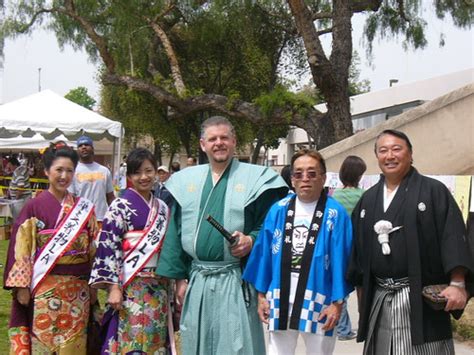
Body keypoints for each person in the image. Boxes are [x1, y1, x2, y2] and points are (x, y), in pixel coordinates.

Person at [156, 116, 288, 355]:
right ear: (203, 144)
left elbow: (271, 224)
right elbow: (175, 232)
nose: (219, 143)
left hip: (235, 278)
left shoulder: (256, 180)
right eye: (213, 139)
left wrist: (251, 239)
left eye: (224, 137)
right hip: (198, 278)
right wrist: (179, 278)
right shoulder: (186, 181)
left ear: (234, 142)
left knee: (236, 343)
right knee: (198, 339)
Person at [348, 129, 474, 354]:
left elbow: (453, 237)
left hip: (421, 298)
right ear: (377, 157)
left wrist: (458, 284)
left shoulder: (434, 191)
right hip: (380, 295)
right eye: (383, 150)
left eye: (397, 149)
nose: (390, 155)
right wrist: (361, 292)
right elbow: (358, 251)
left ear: (411, 154)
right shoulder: (368, 199)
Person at [243, 149, 353, 355]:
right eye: (298, 174)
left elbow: (343, 260)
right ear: (292, 179)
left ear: (323, 178)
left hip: (320, 299)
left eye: (312, 173)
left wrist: (338, 304)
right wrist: (261, 296)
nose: (305, 179)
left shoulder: (335, 213)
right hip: (279, 296)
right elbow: (263, 254)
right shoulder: (278, 210)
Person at [4, 142, 98, 354]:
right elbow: (22, 249)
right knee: (44, 338)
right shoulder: (34, 206)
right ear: (46, 171)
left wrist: (93, 284)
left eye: (69, 171)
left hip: (78, 290)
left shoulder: (84, 208)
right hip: (44, 286)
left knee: (75, 341)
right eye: (59, 170)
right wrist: (21, 287)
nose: (64, 175)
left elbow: (93, 247)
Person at [90, 148, 171, 354]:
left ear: (156, 172)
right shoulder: (119, 206)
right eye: (137, 172)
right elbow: (109, 247)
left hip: (158, 284)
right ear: (129, 176)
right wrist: (113, 287)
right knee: (130, 337)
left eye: (148, 171)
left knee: (155, 338)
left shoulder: (162, 207)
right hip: (130, 285)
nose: (143, 177)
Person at [332, 155, 367, 341]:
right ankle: (364, 326)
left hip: (342, 248)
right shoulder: (364, 196)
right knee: (363, 289)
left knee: (342, 290)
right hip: (361, 248)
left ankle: (344, 330)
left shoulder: (335, 196)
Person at [69, 135, 115, 224]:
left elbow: (110, 197)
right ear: (77, 151)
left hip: (101, 219)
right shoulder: (73, 171)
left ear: (93, 149)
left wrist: (116, 214)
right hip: (80, 220)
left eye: (86, 144)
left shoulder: (104, 171)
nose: (83, 147)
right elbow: (70, 199)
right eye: (80, 146)